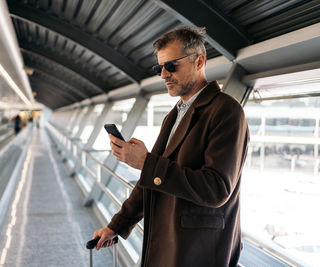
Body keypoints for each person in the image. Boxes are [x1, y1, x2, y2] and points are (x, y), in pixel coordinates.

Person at [92, 26, 250, 266]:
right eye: (159, 68)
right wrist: (116, 225)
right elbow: (150, 182)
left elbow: (217, 188)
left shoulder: (226, 110)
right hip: (168, 242)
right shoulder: (175, 115)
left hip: (198, 250)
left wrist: (146, 162)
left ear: (199, 61)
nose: (164, 74)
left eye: (171, 66)